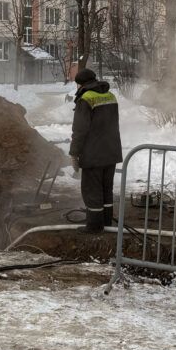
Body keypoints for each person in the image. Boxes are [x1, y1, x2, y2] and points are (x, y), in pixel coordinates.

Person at [69, 67, 122, 234]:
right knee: (106, 189)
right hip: (111, 151)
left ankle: (94, 226)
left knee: (92, 190)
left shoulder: (85, 99)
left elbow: (80, 130)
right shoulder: (110, 95)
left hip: (93, 154)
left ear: (81, 84)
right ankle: (106, 222)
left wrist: (74, 153)